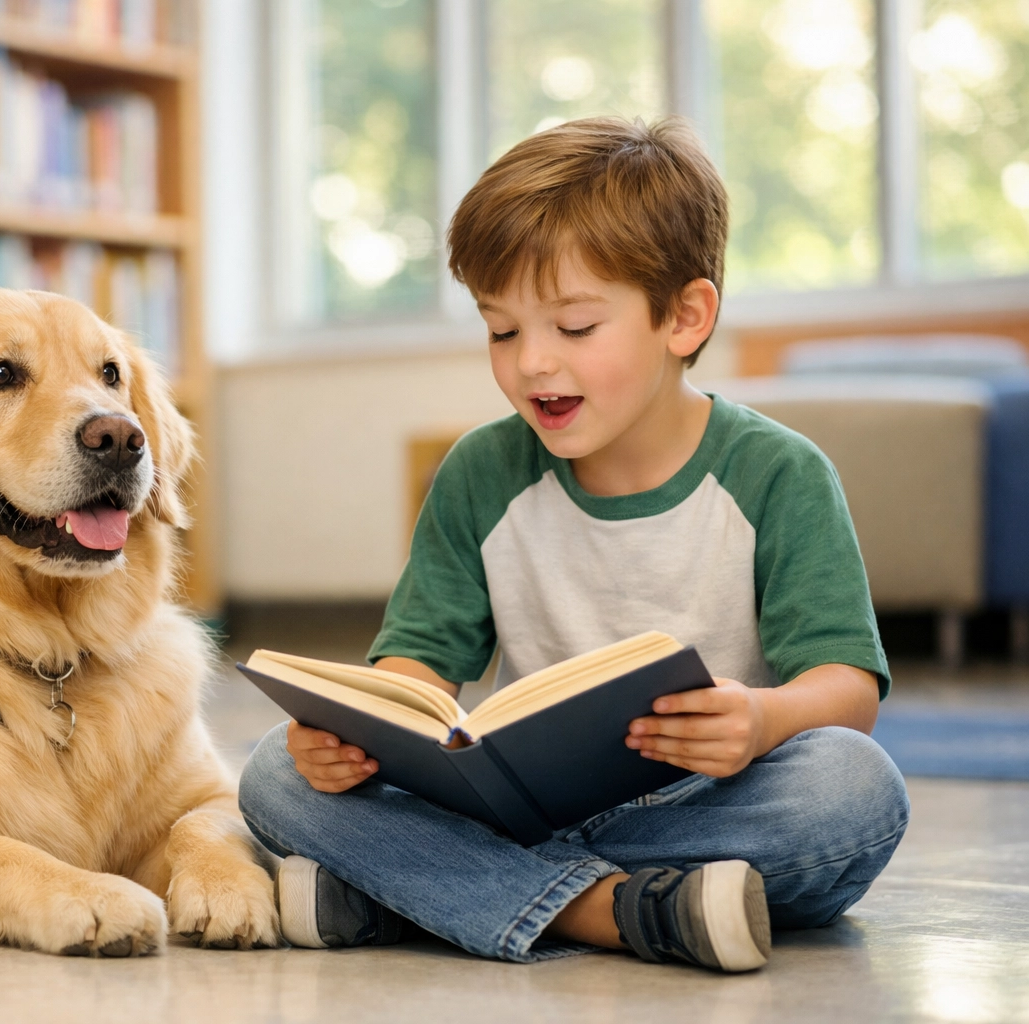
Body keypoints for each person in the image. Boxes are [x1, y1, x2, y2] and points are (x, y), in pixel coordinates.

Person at [237, 116, 909, 973]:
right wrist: (357, 733)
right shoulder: (482, 471)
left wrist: (761, 718)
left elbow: (847, 689)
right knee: (273, 773)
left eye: (575, 328)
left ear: (685, 317)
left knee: (855, 791)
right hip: (514, 807)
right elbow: (414, 670)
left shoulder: (779, 474)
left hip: (707, 801)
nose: (532, 366)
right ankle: (613, 911)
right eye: (502, 330)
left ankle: (416, 891)